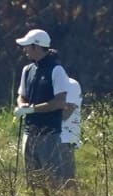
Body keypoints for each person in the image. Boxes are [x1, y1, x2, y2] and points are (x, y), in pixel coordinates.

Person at [13, 28, 72, 186]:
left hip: (49, 134)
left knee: (52, 180)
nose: (24, 49)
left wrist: (32, 109)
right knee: (33, 182)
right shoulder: (27, 70)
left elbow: (59, 102)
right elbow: (21, 95)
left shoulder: (56, 70)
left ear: (37, 47)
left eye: (27, 46)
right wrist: (21, 105)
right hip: (30, 132)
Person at [61, 77, 82, 155]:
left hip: (65, 139)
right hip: (43, 139)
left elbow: (65, 114)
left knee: (64, 167)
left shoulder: (70, 84)